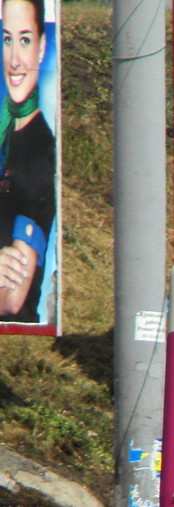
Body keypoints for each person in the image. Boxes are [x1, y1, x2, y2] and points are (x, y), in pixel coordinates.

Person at [0, 0, 54, 323]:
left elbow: (12, 299)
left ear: (42, 47)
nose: (15, 61)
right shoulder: (7, 134)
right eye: (7, 40)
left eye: (25, 40)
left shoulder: (38, 151)